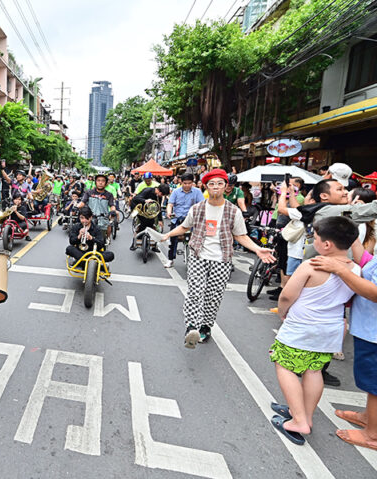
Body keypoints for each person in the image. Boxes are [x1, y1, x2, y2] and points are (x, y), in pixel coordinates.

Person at [160, 169, 275, 348]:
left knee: (213, 296)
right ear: (206, 186)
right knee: (194, 292)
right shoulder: (197, 208)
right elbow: (184, 227)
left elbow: (240, 235)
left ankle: (206, 326)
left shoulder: (233, 211)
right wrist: (168, 235)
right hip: (198, 256)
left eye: (219, 184)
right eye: (211, 184)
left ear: (225, 186)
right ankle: (191, 327)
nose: (215, 187)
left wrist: (258, 249)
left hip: (222, 259)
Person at [269, 216, 360, 445]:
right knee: (314, 370)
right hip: (330, 330)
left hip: (302, 327)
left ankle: (298, 419)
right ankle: (304, 415)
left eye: (315, 238)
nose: (313, 241)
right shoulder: (356, 269)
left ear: (326, 244)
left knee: (285, 366)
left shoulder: (312, 264)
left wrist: (282, 310)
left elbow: (288, 294)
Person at [309, 233, 377, 451]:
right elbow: (367, 263)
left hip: (374, 332)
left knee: (374, 383)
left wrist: (339, 269)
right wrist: (352, 236)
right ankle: (369, 417)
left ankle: (372, 435)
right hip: (368, 328)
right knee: (370, 381)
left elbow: (375, 293)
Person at [164, 173, 204, 268]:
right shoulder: (176, 192)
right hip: (177, 219)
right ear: (181, 183)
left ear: (192, 183)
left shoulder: (197, 192)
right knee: (173, 240)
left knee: (199, 239)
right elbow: (170, 204)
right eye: (185, 183)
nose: (187, 185)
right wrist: (169, 212)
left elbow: (202, 205)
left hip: (192, 220)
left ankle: (198, 259)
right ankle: (170, 259)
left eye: (189, 183)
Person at [78, 173, 116, 240]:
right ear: (95, 182)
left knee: (102, 241)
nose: (100, 183)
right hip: (89, 219)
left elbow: (112, 205)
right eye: (98, 180)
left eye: (103, 181)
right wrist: (76, 207)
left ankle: (107, 239)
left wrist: (113, 211)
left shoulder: (109, 195)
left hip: (103, 220)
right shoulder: (89, 192)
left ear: (106, 183)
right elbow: (82, 203)